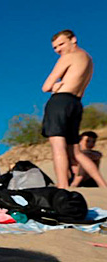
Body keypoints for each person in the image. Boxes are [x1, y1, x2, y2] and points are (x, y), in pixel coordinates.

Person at [41, 29, 107, 188]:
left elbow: (46, 86)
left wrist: (54, 87)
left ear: (73, 39)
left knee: (58, 146)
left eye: (61, 44)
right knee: (75, 151)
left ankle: (62, 186)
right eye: (55, 47)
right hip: (76, 103)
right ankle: (103, 185)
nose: (58, 50)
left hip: (60, 102)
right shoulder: (88, 59)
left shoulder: (68, 57)